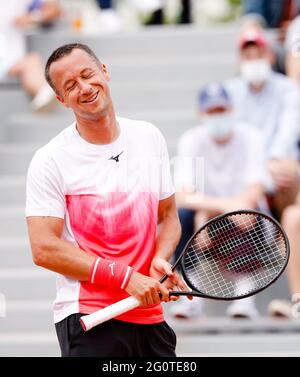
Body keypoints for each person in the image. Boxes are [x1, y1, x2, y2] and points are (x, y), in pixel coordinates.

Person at [25, 43, 187, 357]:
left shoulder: (149, 137)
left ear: (104, 71)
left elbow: (167, 217)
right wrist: (126, 278)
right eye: (70, 86)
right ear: (61, 100)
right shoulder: (50, 159)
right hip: (90, 317)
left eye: (87, 75)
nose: (84, 88)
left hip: (150, 316)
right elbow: (43, 248)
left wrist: (159, 261)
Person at [171, 82, 266, 320]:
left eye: (221, 110)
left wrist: (210, 211)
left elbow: (254, 190)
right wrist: (215, 212)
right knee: (181, 217)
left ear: (232, 109)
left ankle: (245, 294)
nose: (217, 116)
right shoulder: (191, 140)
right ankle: (188, 293)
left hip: (244, 218)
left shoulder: (252, 137)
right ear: (201, 114)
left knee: (246, 214)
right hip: (212, 214)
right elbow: (183, 195)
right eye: (212, 111)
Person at [225, 28, 300, 221]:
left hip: (276, 164)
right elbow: (231, 137)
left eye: (260, 54)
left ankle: (287, 239)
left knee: (288, 173)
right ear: (240, 60)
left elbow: (288, 133)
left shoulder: (288, 89)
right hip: (245, 165)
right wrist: (263, 165)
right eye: (248, 55)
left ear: (271, 56)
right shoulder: (229, 91)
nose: (254, 60)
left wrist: (273, 161)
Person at [0, 0, 61, 111]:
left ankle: (44, 93)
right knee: (32, 61)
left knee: (32, 61)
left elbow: (54, 9)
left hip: (11, 60)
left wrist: (32, 18)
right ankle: (45, 92)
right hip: (9, 61)